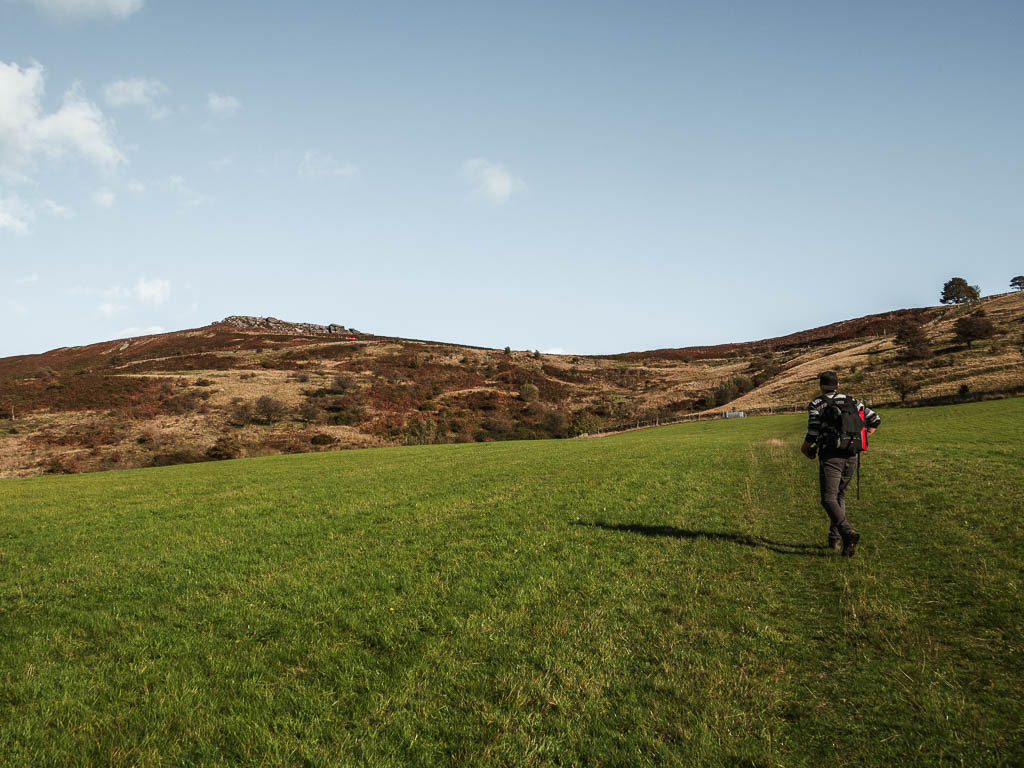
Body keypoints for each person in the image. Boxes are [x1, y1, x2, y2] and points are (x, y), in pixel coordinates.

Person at [800, 371, 880, 557]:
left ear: (821, 386)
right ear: (838, 385)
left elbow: (813, 430)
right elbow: (875, 419)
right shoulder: (853, 401)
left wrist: (805, 448)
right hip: (852, 455)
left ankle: (846, 532)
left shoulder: (817, 404)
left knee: (828, 499)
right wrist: (866, 435)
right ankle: (836, 540)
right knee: (840, 496)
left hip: (831, 456)